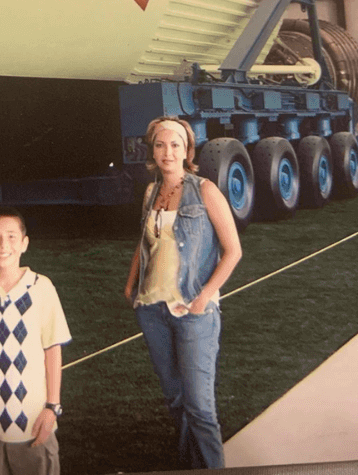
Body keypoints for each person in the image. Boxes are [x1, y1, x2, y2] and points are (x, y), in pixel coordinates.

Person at [124, 116, 242, 469]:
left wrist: (204, 297)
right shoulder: (150, 192)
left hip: (193, 312)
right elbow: (145, 243)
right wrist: (131, 283)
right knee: (176, 400)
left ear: (187, 150)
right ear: (152, 151)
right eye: (160, 145)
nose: (167, 152)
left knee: (201, 408)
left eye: (175, 144)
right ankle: (190, 465)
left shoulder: (205, 190)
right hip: (152, 310)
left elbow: (233, 250)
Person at [0, 210, 72, 474]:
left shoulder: (42, 287)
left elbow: (52, 349)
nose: (4, 245)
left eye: (11, 236)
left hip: (32, 418)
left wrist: (52, 407)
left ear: (24, 243)